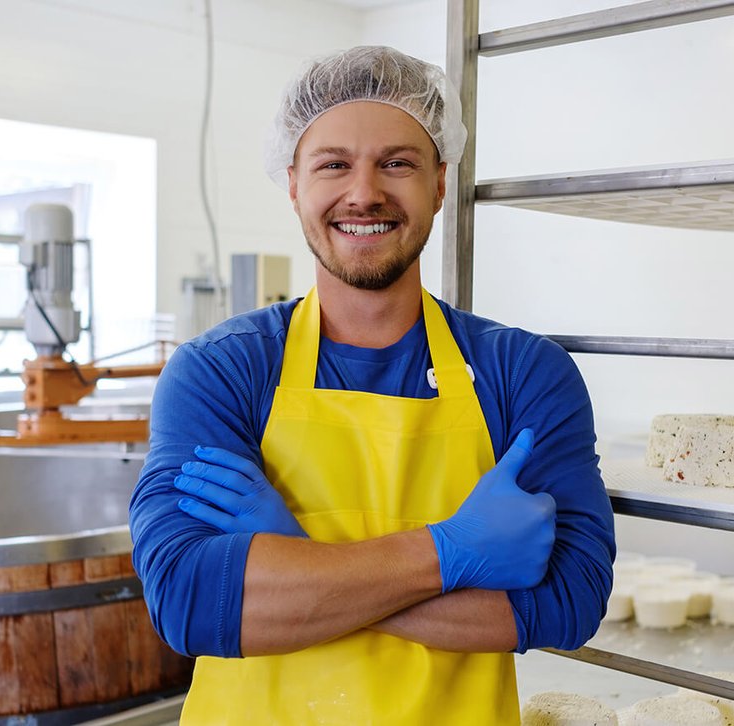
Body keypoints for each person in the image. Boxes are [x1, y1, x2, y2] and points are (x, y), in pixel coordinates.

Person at [130, 45, 615, 725]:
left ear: (440, 183)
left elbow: (569, 602)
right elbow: (189, 603)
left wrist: (298, 567)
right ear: (294, 181)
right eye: (333, 164)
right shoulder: (221, 371)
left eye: (398, 163)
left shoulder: (523, 373)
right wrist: (452, 553)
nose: (364, 192)